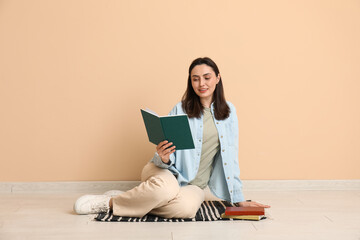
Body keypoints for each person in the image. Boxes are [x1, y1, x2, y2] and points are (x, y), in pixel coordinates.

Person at [74, 57, 270, 218]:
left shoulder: (229, 112)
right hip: (165, 171)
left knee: (184, 210)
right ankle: (108, 203)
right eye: (195, 79)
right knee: (165, 190)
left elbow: (231, 157)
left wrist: (239, 197)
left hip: (194, 184)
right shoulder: (181, 109)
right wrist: (163, 157)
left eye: (207, 77)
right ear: (190, 81)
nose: (201, 83)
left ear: (217, 78)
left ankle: (131, 197)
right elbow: (166, 148)